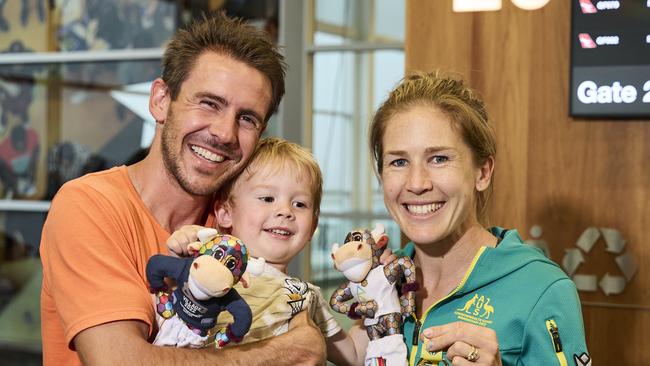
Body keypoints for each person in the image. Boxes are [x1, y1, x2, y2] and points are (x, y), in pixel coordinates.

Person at [40, 14, 326, 365]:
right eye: (209, 103)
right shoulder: (89, 207)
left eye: (247, 118)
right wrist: (282, 353)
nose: (224, 133)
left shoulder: (237, 221)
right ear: (161, 99)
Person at [364, 71, 590, 365]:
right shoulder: (379, 282)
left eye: (439, 158)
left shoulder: (542, 288)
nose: (416, 183)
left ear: (482, 173)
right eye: (399, 161)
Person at [166, 137, 375, 366]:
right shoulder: (210, 266)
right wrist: (181, 251)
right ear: (226, 214)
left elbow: (354, 355)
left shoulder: (306, 296)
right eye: (267, 198)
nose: (285, 211)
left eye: (300, 204)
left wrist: (376, 290)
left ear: (312, 229)